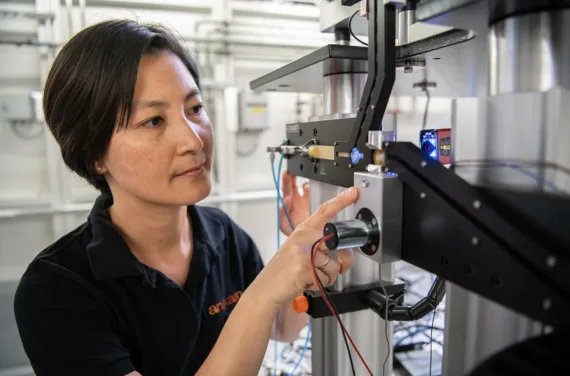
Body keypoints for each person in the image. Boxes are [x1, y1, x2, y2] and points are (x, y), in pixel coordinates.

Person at [13, 20, 358, 376]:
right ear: (94, 155)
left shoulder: (222, 234)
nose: (194, 141)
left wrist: (305, 254)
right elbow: (260, 308)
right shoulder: (56, 290)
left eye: (194, 109)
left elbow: (283, 328)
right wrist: (260, 296)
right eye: (153, 121)